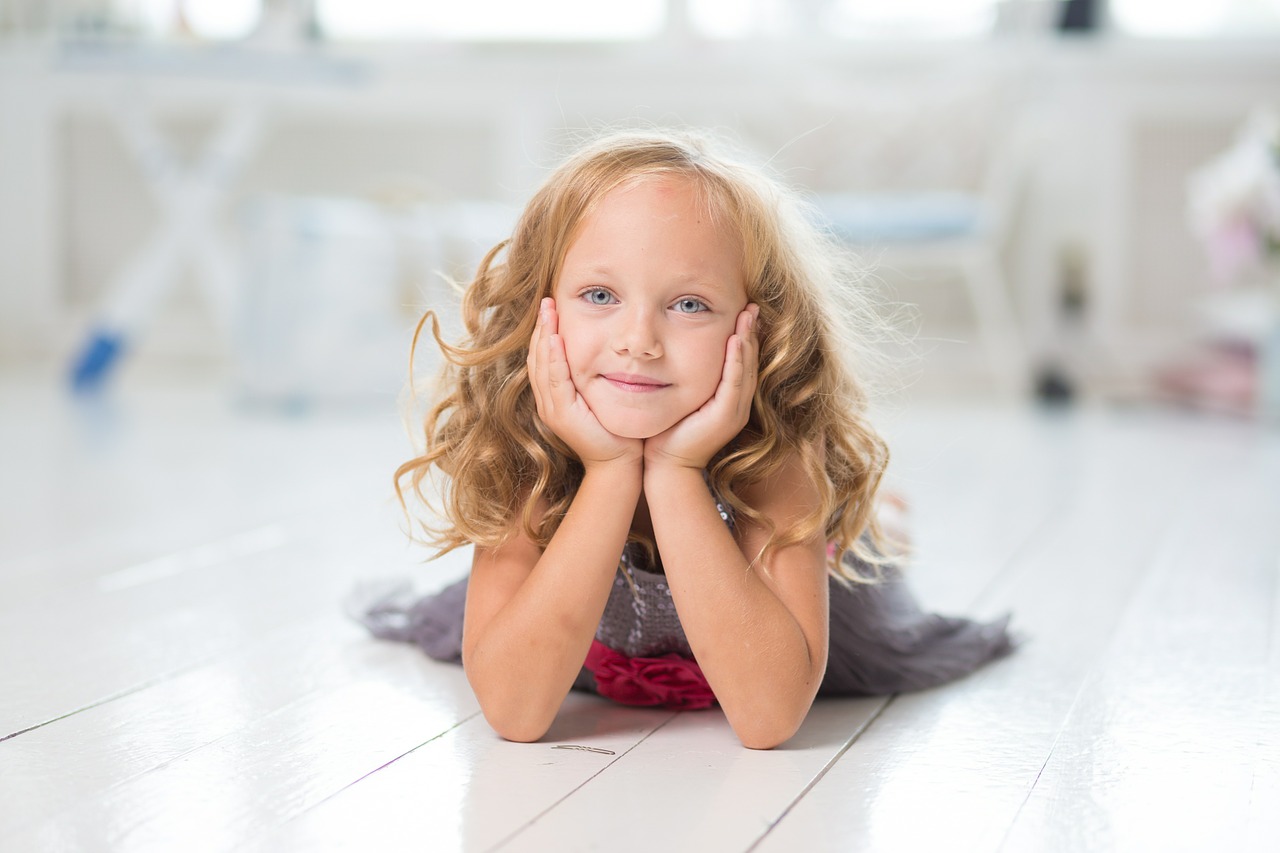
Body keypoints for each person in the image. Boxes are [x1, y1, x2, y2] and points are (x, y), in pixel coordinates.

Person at [355, 129, 1013, 750]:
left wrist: (675, 470)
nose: (638, 339)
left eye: (689, 304)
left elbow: (768, 716)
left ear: (758, 328)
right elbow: (514, 710)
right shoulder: (529, 449)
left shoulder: (775, 457)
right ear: (540, 310)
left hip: (817, 612)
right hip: (578, 640)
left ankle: (880, 523)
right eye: (599, 293)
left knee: (868, 556)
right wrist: (610, 469)